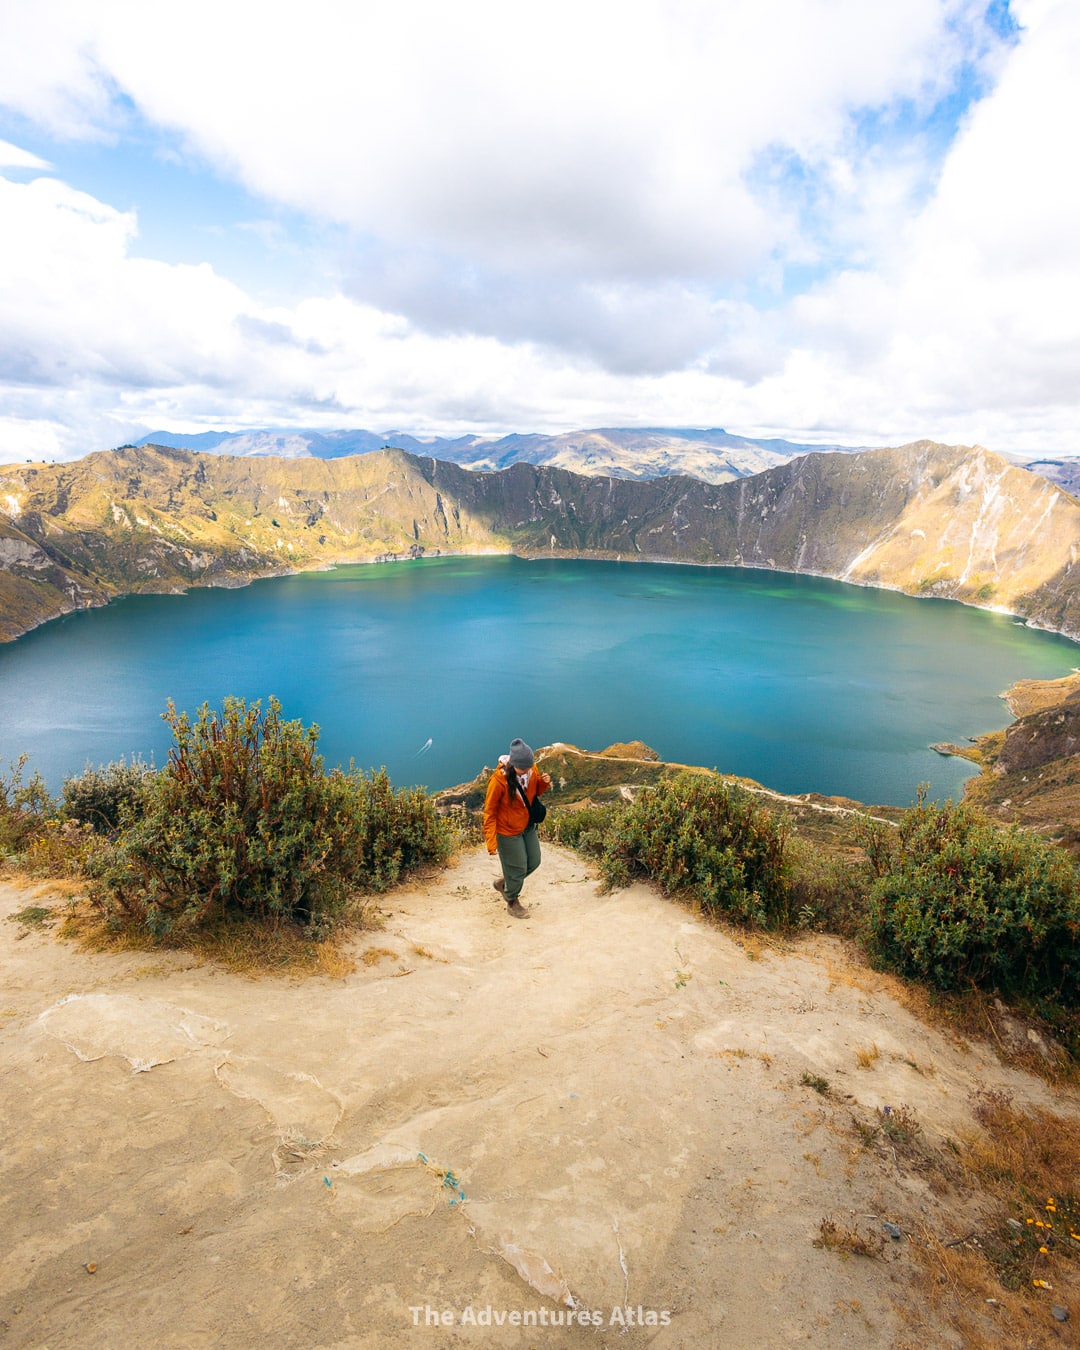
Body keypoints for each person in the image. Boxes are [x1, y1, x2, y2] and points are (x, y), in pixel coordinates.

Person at [483, 737, 552, 919]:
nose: (527, 771)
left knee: (534, 861)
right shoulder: (498, 781)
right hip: (508, 830)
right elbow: (489, 812)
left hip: (527, 824)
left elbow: (533, 793)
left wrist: (543, 783)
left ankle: (506, 883)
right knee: (518, 868)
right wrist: (491, 842)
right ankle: (512, 901)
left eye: (529, 767)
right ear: (513, 765)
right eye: (523, 768)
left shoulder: (531, 769)